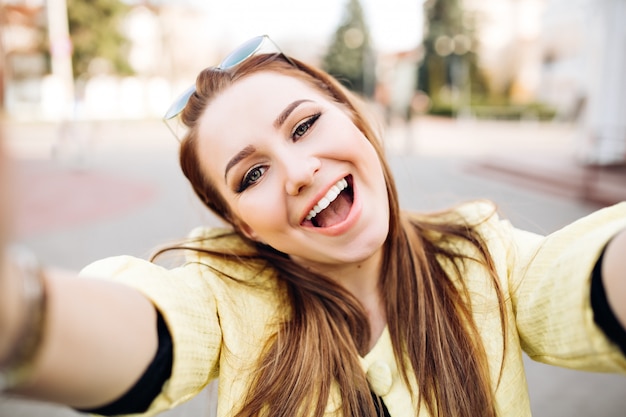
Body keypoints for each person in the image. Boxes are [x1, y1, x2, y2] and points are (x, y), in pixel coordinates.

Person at [1, 35, 625, 417]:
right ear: (240, 226)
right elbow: (148, 332)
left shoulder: (482, 253)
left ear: (355, 120)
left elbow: (588, 279)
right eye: (250, 176)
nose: (299, 170)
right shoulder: (225, 303)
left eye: (303, 126)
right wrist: (16, 311)